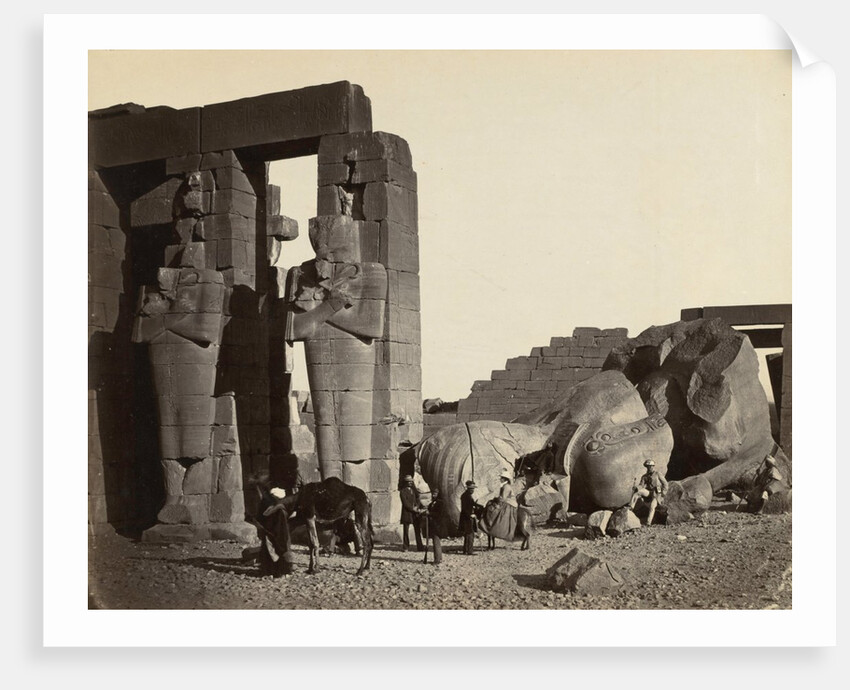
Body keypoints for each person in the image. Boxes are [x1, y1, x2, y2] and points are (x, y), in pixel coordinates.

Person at [628, 459, 668, 526]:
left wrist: (663, 493)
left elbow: (665, 484)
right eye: (648, 466)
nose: (650, 467)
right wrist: (636, 488)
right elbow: (641, 485)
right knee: (638, 492)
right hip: (649, 492)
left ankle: (648, 523)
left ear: (653, 466)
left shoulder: (658, 474)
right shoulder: (644, 476)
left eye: (651, 466)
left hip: (657, 493)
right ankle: (631, 506)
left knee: (652, 507)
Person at [399, 475, 426, 551]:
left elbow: (418, 498)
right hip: (407, 513)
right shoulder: (402, 492)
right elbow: (405, 503)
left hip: (415, 514)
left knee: (417, 530)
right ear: (405, 482)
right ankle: (406, 547)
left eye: (411, 481)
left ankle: (420, 546)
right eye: (408, 482)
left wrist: (417, 506)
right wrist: (412, 508)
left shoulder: (414, 490)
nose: (410, 483)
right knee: (406, 531)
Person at [459, 480, 483, 555]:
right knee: (469, 534)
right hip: (467, 518)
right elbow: (464, 508)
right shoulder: (465, 496)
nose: (473, 490)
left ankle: (466, 550)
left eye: (473, 489)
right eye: (471, 489)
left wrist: (480, 506)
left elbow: (472, 504)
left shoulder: (468, 496)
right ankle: (469, 551)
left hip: (468, 517)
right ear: (468, 488)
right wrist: (470, 514)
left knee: (468, 533)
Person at [424, 488, 447, 565]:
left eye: (435, 493)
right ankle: (439, 558)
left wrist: (430, 513)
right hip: (434, 525)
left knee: (436, 542)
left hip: (438, 525)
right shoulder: (433, 503)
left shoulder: (440, 503)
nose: (433, 495)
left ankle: (437, 560)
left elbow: (439, 514)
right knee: (436, 542)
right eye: (433, 493)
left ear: (438, 494)